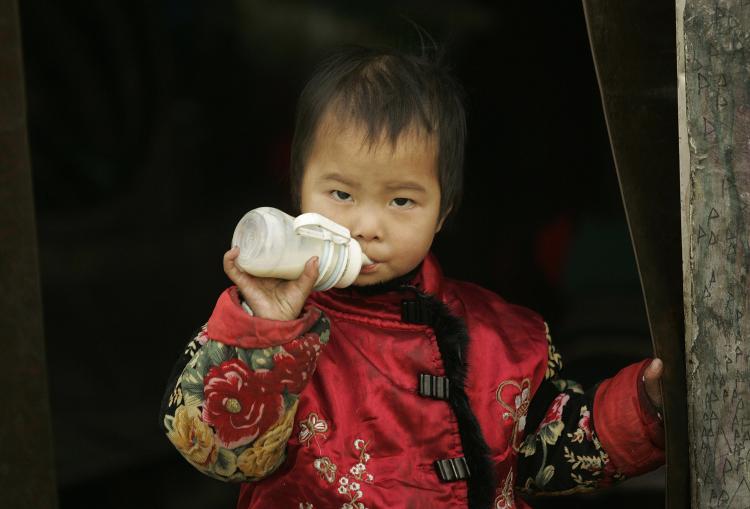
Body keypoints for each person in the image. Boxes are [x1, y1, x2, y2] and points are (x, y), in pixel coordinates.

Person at [159, 45, 665, 509]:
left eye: (401, 201)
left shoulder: (504, 338)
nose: (366, 226)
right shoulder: (270, 325)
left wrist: (648, 403)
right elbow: (219, 454)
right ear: (298, 190)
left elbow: (547, 454)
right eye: (340, 195)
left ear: (443, 211)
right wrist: (262, 335)